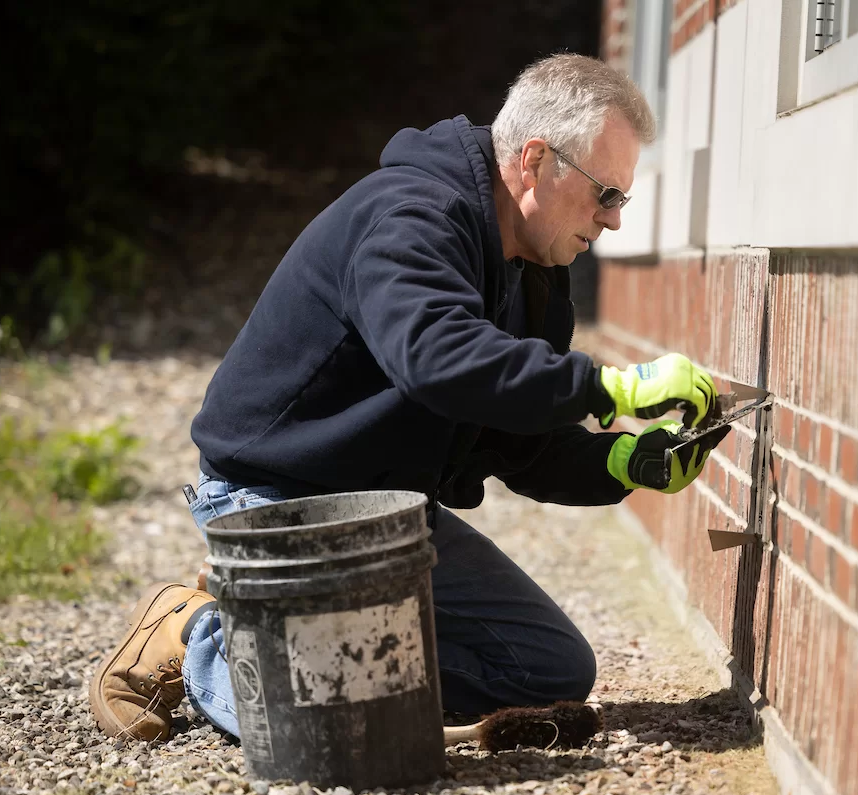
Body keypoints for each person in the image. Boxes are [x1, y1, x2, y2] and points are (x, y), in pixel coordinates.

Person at [89, 54, 729, 742]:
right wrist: (612, 387)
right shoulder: (412, 217)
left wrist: (623, 463)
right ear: (537, 161)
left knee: (545, 667)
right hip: (276, 498)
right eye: (608, 194)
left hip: (388, 514)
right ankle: (196, 631)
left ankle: (297, 631)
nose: (613, 222)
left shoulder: (534, 274)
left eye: (622, 201)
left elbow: (515, 436)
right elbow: (438, 357)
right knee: (326, 723)